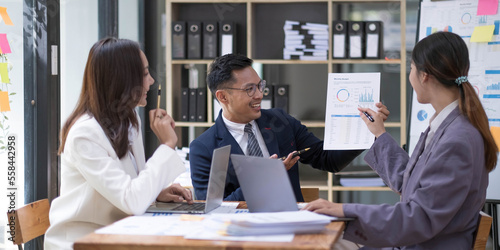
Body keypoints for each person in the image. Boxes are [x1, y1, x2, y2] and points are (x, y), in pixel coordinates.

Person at [304, 31, 499, 249]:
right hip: (419, 242)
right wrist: (379, 134)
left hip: (423, 244)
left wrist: (343, 210)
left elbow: (419, 217)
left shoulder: (456, 139)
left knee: (326, 242)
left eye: (412, 69)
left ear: (425, 75)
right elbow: (411, 183)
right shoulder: (450, 126)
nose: (410, 76)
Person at [44, 38, 193, 250]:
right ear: (121, 80)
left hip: (117, 233)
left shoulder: (130, 119)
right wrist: (167, 144)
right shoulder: (84, 134)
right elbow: (131, 200)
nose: (151, 81)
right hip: (83, 241)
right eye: (144, 74)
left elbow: (131, 185)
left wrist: (156, 192)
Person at [189, 54, 390, 201]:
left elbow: (328, 160)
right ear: (223, 96)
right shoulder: (204, 147)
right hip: (240, 234)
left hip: (292, 224)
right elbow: (213, 210)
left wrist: (366, 129)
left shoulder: (280, 121)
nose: (259, 95)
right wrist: (264, 176)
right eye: (250, 89)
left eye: (260, 86)